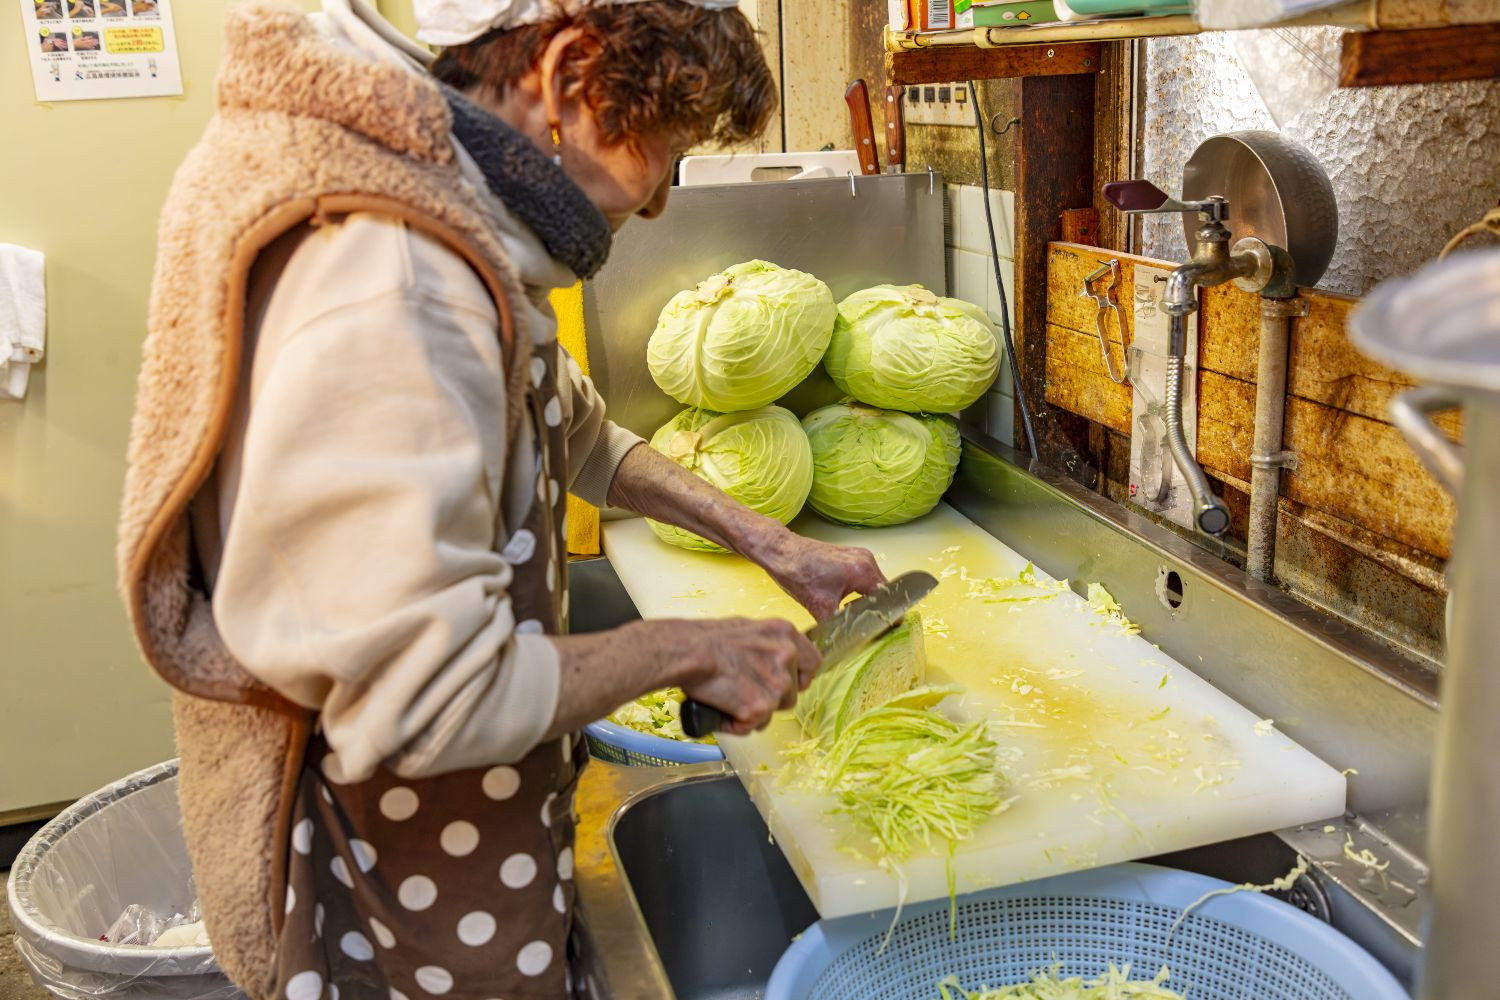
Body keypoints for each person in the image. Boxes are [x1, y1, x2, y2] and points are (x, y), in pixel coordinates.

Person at [117, 1, 884, 998]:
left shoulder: (449, 221)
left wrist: (769, 541)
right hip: (389, 882)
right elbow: (424, 703)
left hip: (461, 839)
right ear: (569, 78)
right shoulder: (399, 281)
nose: (655, 205)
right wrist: (690, 647)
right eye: (664, 146)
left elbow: (575, 430)